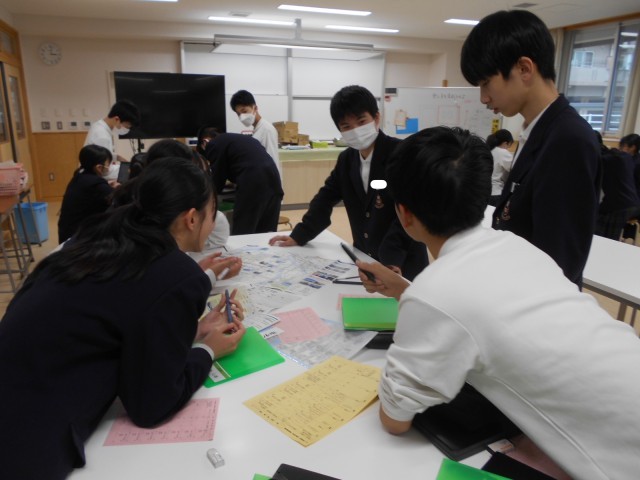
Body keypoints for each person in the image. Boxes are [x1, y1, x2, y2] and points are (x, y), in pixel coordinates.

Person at [355, 126, 640, 480]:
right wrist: (406, 290)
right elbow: (477, 311)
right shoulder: (517, 247)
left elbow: (395, 418)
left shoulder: (436, 292)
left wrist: (416, 299)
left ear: (404, 214)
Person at [0, 158, 246, 480]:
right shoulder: (175, 274)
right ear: (191, 218)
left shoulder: (103, 232)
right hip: (26, 442)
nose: (214, 224)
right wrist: (208, 350)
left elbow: (120, 316)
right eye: (213, 214)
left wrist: (192, 330)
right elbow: (152, 406)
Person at [461, 10, 601, 288]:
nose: (484, 98)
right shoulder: (537, 131)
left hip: (537, 301)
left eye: (486, 83)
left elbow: (560, 262)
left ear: (524, 69)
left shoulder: (568, 139)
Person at [269, 85, 428, 281]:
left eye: (361, 122)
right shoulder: (347, 160)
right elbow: (325, 198)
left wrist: (392, 260)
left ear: (376, 118)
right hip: (365, 258)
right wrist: (299, 235)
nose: (356, 131)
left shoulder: (401, 154)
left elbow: (411, 211)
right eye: (346, 126)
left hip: (403, 263)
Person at [202, 130, 284, 235]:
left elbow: (217, 179)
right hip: (274, 182)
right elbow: (246, 163)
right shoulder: (241, 140)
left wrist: (205, 194)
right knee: (267, 233)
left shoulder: (214, 144)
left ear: (205, 141)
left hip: (253, 186)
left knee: (244, 231)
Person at [57, 144, 116, 243]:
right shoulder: (97, 185)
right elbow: (119, 198)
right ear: (99, 167)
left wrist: (106, 186)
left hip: (67, 234)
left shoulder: (79, 176)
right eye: (108, 165)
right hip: (80, 238)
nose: (108, 168)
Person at [594, 131, 640, 240]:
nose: (621, 149)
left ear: (633, 147)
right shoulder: (625, 158)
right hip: (632, 203)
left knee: (597, 219)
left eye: (623, 146)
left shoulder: (608, 159)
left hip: (622, 205)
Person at [230, 89, 281, 177]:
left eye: (244, 111)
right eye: (238, 114)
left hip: (268, 181)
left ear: (255, 108)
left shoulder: (266, 130)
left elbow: (272, 162)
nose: (242, 116)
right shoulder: (257, 129)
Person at [85, 99, 141, 179]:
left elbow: (101, 154)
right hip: (94, 178)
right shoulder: (102, 136)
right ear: (117, 119)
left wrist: (117, 157)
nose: (127, 129)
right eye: (127, 126)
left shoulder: (99, 125)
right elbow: (104, 170)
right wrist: (127, 169)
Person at [485, 129, 514, 206]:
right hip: (496, 192)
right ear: (505, 143)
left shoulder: (489, 149)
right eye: (508, 146)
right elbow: (515, 169)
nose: (507, 149)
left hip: (484, 191)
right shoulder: (502, 152)